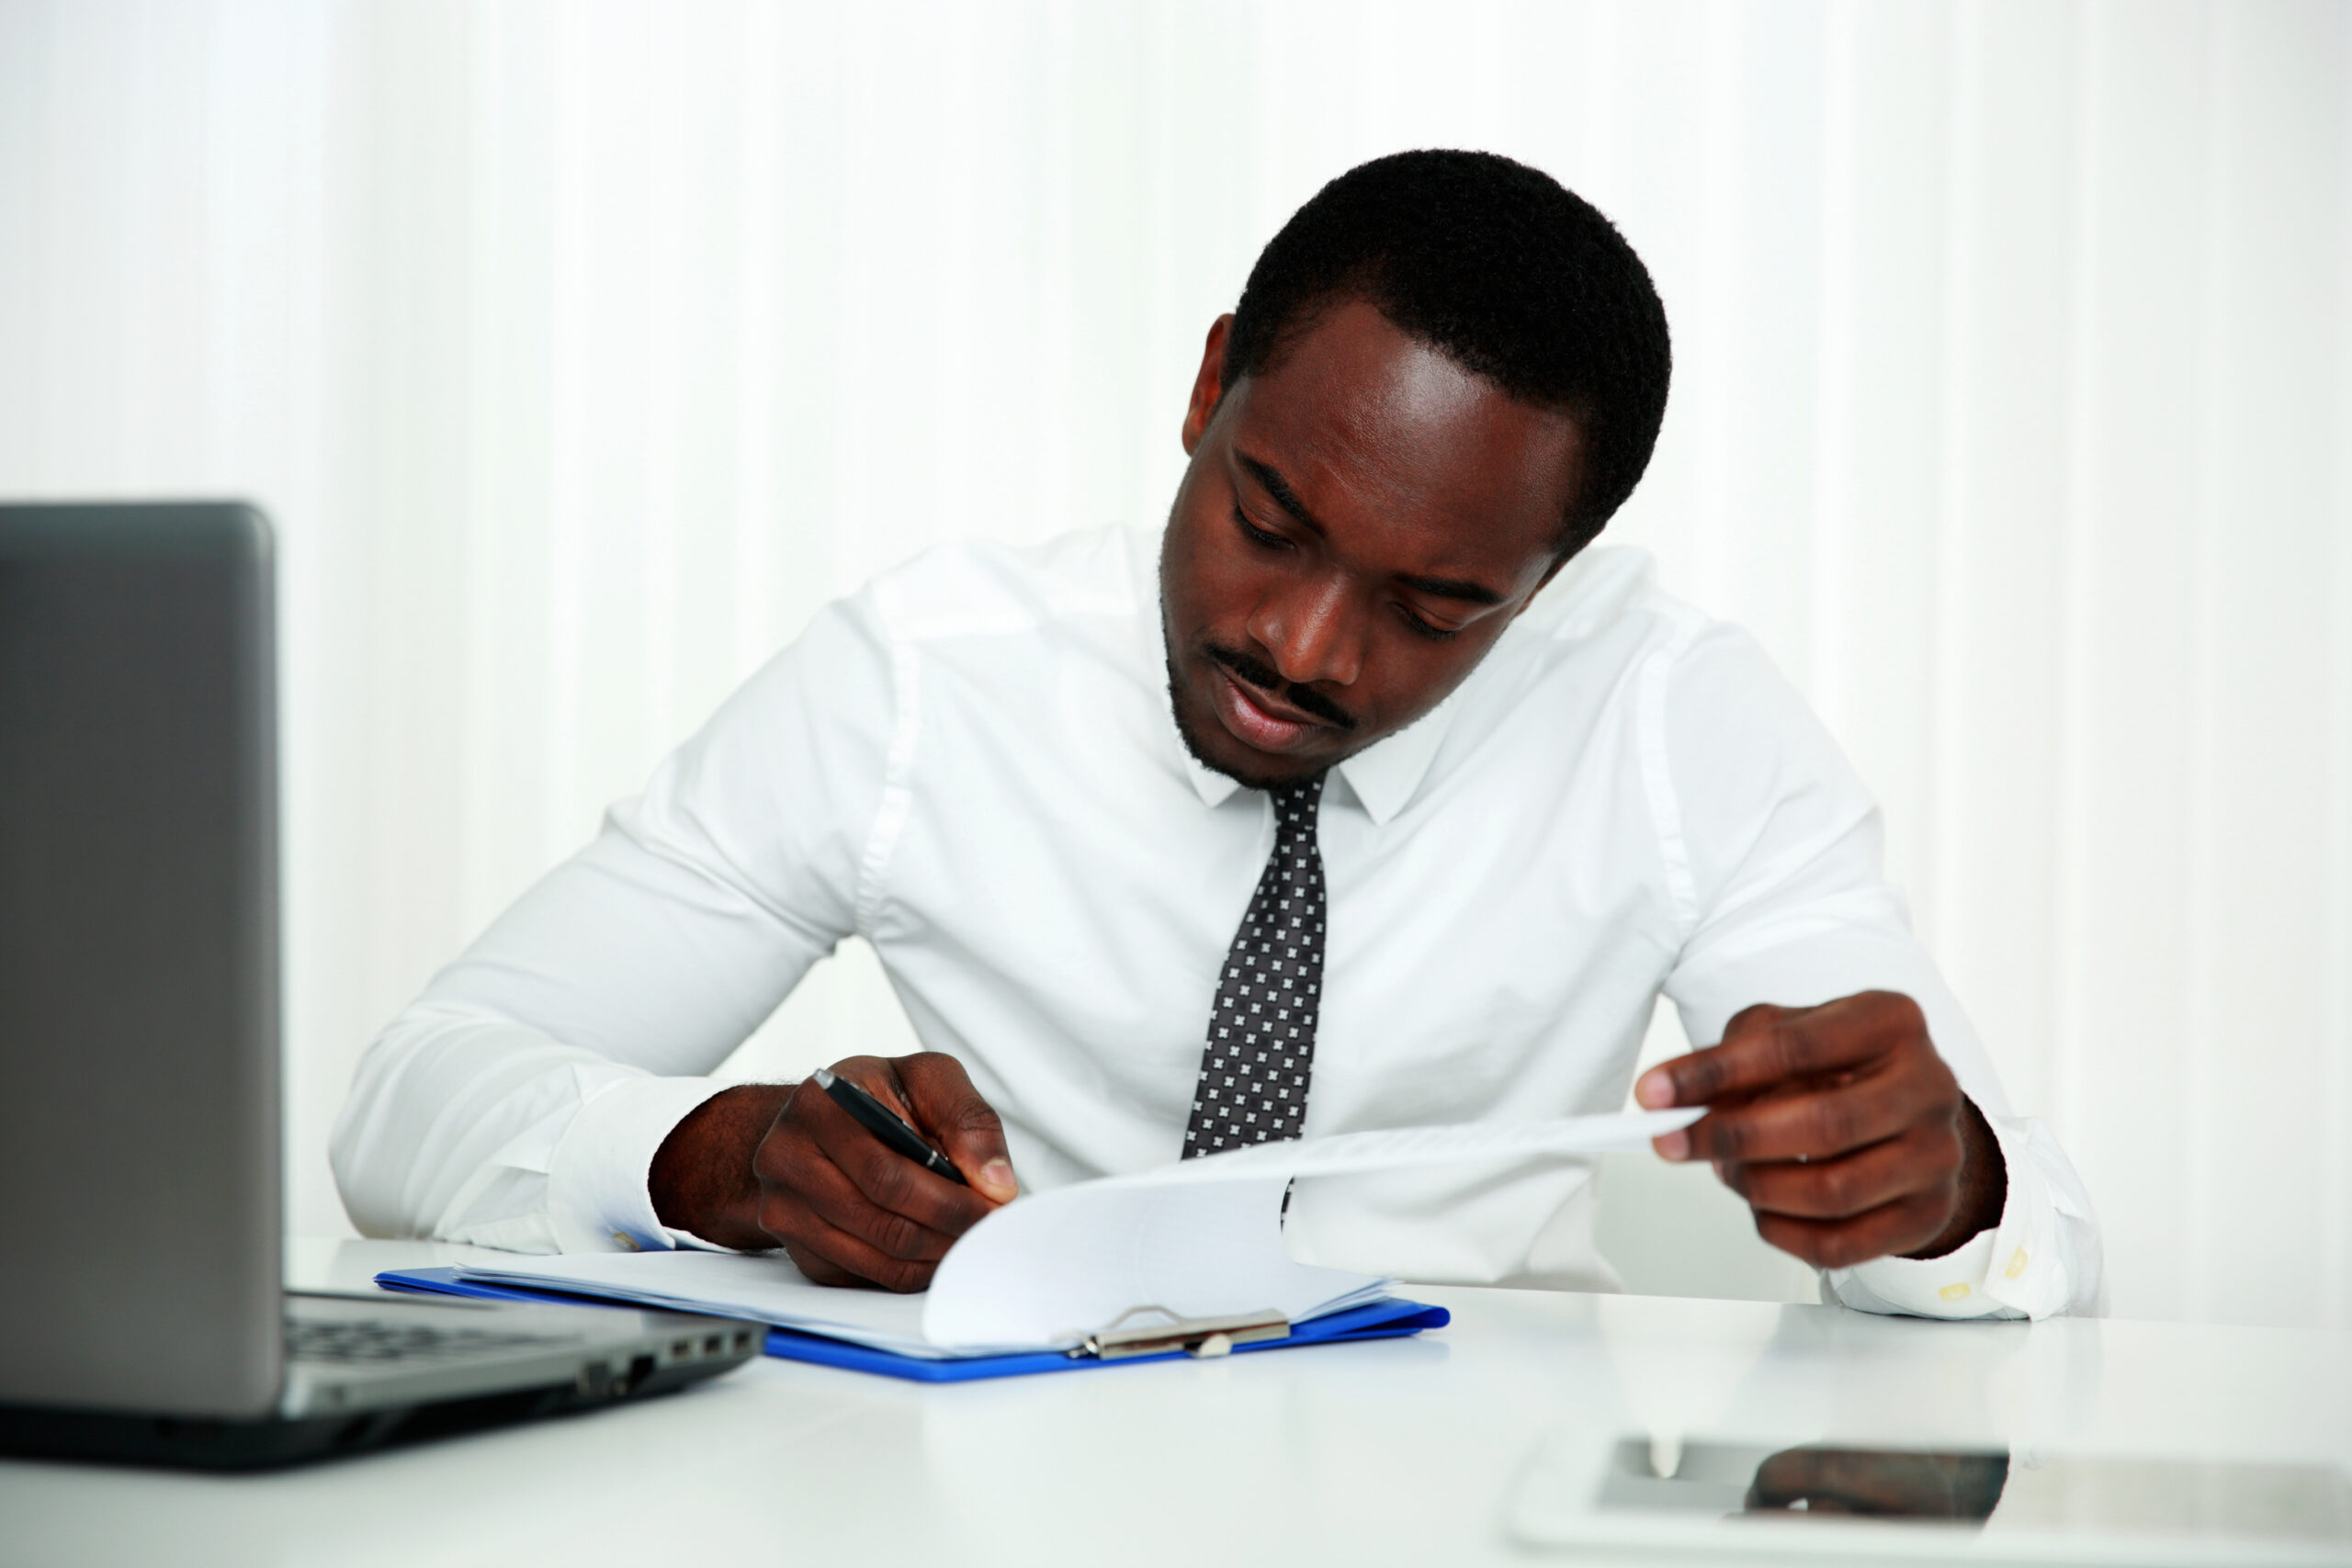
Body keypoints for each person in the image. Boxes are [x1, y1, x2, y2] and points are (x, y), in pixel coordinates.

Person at [333, 150, 2100, 1319]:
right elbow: (415, 1099)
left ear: (1549, 585)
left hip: (1473, 1500)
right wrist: (722, 1160)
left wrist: (1938, 1189)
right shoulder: (923, 680)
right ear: (1208, 388)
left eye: (1436, 607)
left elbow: (2040, 1272)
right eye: (1268, 517)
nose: (1301, 648)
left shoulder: (1676, 723)